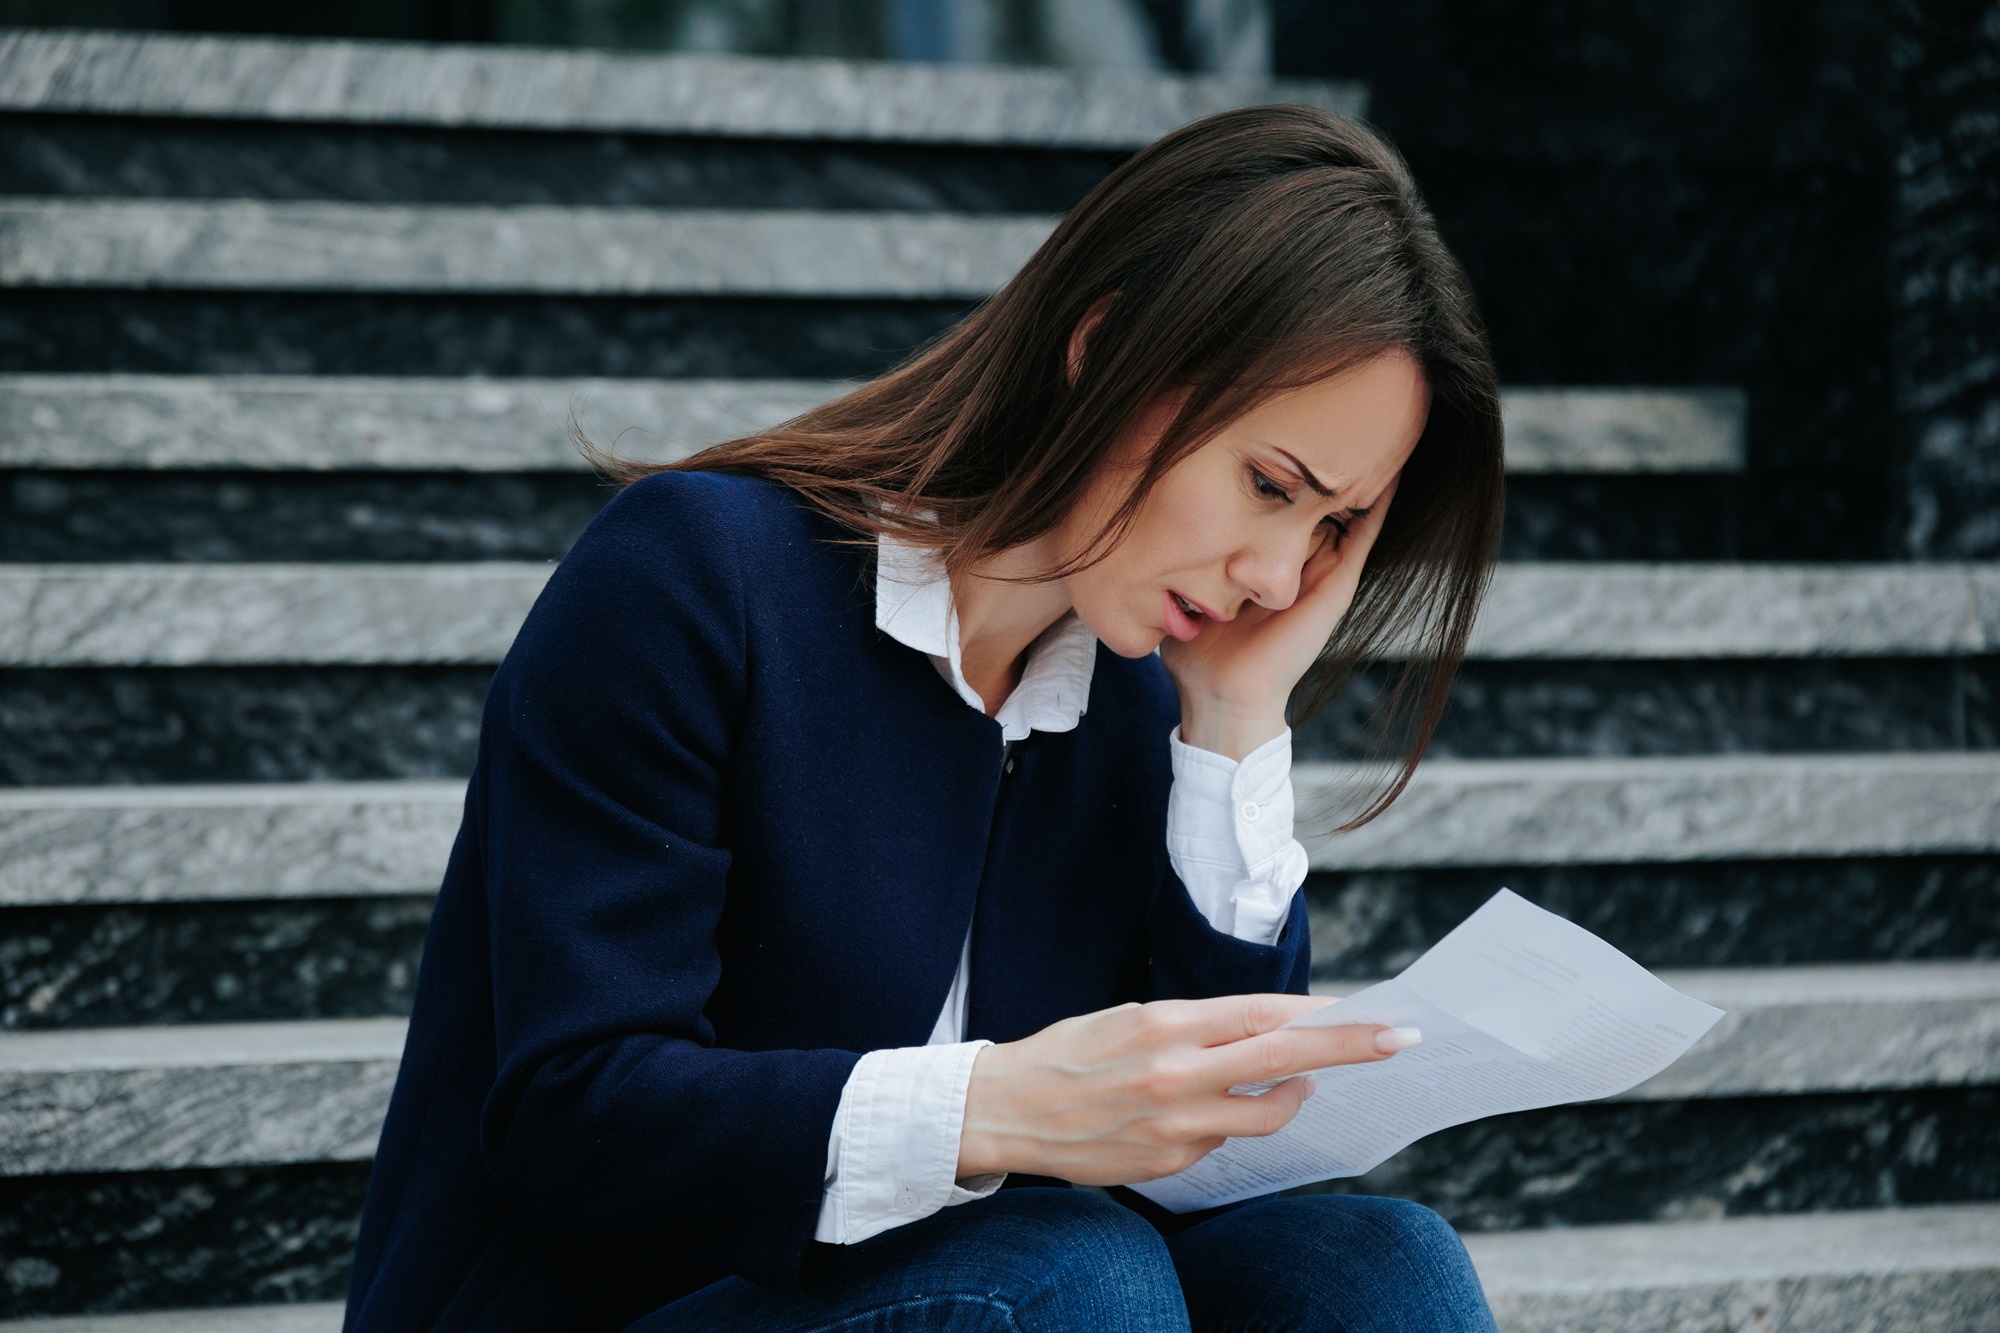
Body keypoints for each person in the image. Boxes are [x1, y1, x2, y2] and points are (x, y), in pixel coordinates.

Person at [345, 104, 1505, 1332]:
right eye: (1270, 486)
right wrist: (993, 1106)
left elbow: (1200, 1187)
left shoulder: (1130, 690)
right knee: (1071, 1271)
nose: (1278, 577)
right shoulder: (697, 577)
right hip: (605, 1303)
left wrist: (1231, 717)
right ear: (1103, 349)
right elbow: (574, 1117)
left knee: (1376, 1266)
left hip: (984, 1291)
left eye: (1329, 529)